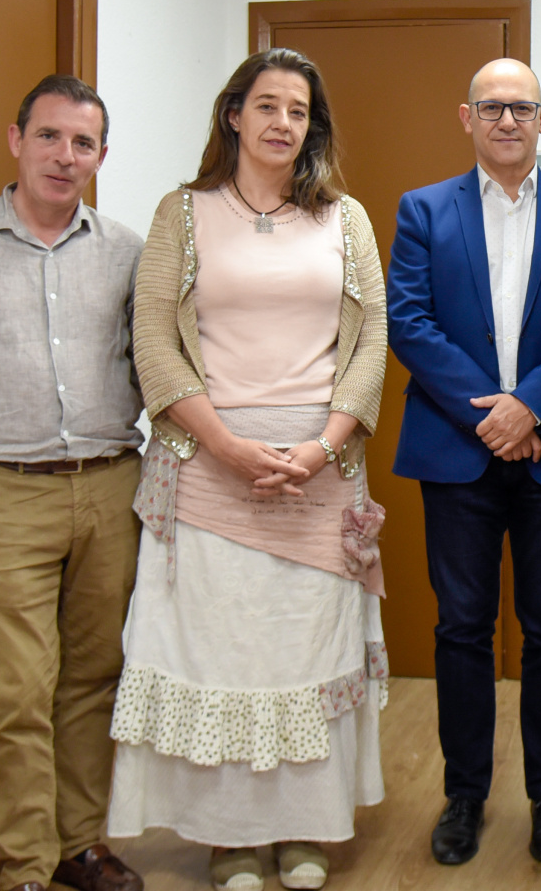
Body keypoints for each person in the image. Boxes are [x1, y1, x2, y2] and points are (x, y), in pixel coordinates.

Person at [104, 49, 389, 891]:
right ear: (234, 114)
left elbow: (370, 341)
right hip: (207, 468)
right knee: (222, 654)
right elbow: (153, 336)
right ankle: (229, 838)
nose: (281, 123)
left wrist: (322, 446)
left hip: (318, 471)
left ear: (313, 127)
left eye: (298, 111)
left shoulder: (347, 218)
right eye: (266, 105)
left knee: (307, 652)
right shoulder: (181, 214)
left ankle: (305, 828)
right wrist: (225, 446)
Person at [0, 74, 145, 891]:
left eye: (82, 143)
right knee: (14, 689)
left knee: (92, 678)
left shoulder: (125, 250)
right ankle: (24, 864)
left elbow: (144, 364)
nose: (64, 155)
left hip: (112, 487)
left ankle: (81, 842)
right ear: (16, 140)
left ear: (101, 156)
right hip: (6, 492)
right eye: (49, 136)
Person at [387, 58, 541, 866]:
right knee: (461, 629)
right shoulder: (423, 211)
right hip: (459, 453)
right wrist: (494, 414)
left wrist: (532, 406)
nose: (507, 121)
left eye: (522, 108)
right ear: (466, 116)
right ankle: (464, 795)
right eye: (492, 108)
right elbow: (407, 322)